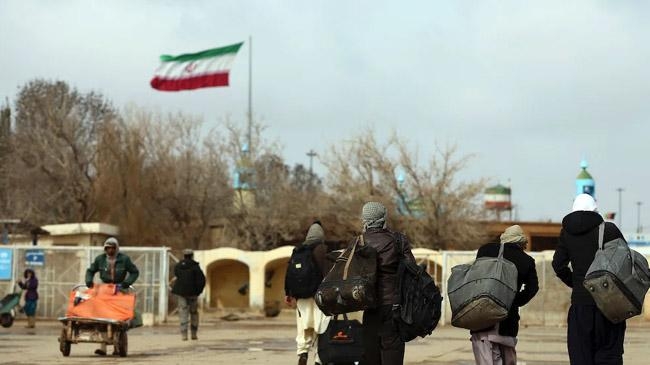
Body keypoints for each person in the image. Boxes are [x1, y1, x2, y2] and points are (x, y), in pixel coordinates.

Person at [553, 193, 627, 365]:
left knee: (581, 357)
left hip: (580, 305)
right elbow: (626, 261)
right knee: (609, 356)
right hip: (610, 305)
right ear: (595, 209)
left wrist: (577, 284)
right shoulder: (609, 230)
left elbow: (558, 265)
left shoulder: (567, 233)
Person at [470, 225, 539, 365]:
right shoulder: (526, 261)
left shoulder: (486, 250)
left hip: (481, 318)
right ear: (521, 242)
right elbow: (533, 288)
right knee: (508, 359)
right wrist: (513, 302)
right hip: (507, 321)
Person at [358, 202, 415, 365]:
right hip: (394, 307)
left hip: (369, 307)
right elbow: (412, 271)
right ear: (384, 218)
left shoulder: (358, 242)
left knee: (371, 356)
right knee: (392, 355)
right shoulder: (398, 240)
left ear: (364, 219)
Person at [284, 222, 330, 365]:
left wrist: (288, 293)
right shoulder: (323, 250)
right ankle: (318, 359)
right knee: (320, 329)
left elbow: (289, 274)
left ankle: (303, 354)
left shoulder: (298, 250)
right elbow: (328, 273)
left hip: (301, 298)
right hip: (319, 297)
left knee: (303, 327)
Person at [85, 237, 139, 356]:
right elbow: (90, 271)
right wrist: (88, 281)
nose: (110, 250)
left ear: (116, 248)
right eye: (107, 248)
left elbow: (135, 272)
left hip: (119, 290)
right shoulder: (100, 259)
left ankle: (117, 346)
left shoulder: (124, 259)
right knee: (102, 317)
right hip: (105, 290)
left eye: (112, 248)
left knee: (118, 318)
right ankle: (103, 347)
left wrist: (126, 283)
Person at [171, 248, 206, 341]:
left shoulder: (178, 266)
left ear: (184, 255)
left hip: (181, 293)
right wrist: (199, 291)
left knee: (183, 312)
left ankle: (184, 335)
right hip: (193, 293)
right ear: (192, 255)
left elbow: (177, 275)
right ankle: (194, 334)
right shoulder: (195, 267)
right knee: (194, 313)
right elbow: (202, 280)